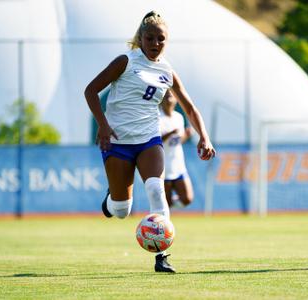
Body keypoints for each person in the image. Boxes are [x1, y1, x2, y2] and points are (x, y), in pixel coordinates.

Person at [84, 11, 215, 273]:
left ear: (167, 41)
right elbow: (90, 91)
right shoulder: (125, 61)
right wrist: (104, 125)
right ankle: (112, 201)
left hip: (148, 140)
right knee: (122, 210)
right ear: (140, 39)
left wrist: (205, 137)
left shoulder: (167, 70)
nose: (155, 43)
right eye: (150, 38)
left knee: (156, 189)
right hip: (118, 142)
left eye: (161, 39)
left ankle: (162, 256)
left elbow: (189, 107)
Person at [160, 90, 194, 208]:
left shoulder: (178, 117)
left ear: (176, 100)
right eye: (166, 95)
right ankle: (161, 224)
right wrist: (170, 133)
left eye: (171, 95)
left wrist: (186, 135)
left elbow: (177, 141)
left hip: (178, 165)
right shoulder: (157, 117)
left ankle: (170, 205)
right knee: (165, 204)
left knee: (187, 199)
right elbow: (156, 141)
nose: (169, 95)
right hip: (163, 167)